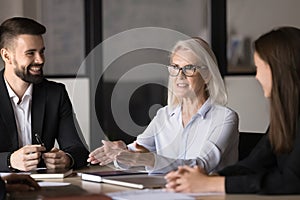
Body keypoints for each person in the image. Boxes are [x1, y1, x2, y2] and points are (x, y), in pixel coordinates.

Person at [165, 26, 300, 194]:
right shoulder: (288, 115)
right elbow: (254, 164)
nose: (256, 77)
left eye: (258, 68)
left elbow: (291, 181)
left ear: (279, 70)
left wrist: (211, 185)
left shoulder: (224, 117)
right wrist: (210, 178)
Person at [88, 37, 239, 174]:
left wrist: (149, 159)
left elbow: (200, 166)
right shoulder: (164, 115)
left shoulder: (224, 118)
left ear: (207, 75)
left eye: (189, 68)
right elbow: (139, 150)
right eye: (175, 67)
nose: (180, 76)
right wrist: (122, 151)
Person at [0, 17, 89, 172]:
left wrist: (67, 159)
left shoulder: (56, 93)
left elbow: (79, 149)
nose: (40, 60)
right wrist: (9, 160)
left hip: (45, 188)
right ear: (7, 56)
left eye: (41, 52)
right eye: (30, 53)